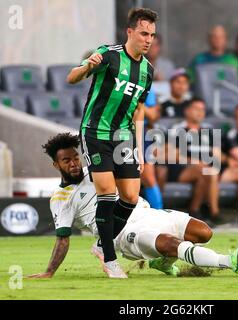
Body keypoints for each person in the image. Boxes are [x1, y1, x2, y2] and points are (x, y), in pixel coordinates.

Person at [27, 133, 238, 278]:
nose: (74, 163)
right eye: (67, 161)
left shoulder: (95, 171)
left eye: (75, 158)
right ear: (56, 165)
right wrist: (49, 272)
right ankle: (230, 261)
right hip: (123, 232)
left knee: (203, 233)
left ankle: (161, 262)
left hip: (146, 212)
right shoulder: (61, 198)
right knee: (172, 243)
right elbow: (62, 238)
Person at [66, 8, 158, 278]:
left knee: (130, 196)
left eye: (152, 34)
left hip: (123, 137)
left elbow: (139, 110)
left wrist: (139, 148)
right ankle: (109, 258)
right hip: (95, 132)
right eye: (143, 33)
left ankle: (101, 243)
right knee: (107, 192)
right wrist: (87, 66)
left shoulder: (147, 71)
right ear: (129, 31)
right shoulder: (109, 54)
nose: (148, 39)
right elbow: (72, 78)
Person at [166, 98, 225, 225]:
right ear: (187, 111)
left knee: (208, 173)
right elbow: (171, 154)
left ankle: (194, 211)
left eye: (202, 109)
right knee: (207, 171)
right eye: (196, 109)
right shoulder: (178, 129)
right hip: (180, 170)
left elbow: (218, 154)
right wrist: (194, 162)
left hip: (204, 170)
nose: (200, 112)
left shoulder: (208, 131)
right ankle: (214, 213)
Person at [142, 89, 164, 209]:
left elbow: (153, 116)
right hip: (116, 131)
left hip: (139, 133)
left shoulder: (147, 87)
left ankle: (158, 214)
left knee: (149, 179)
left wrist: (136, 100)